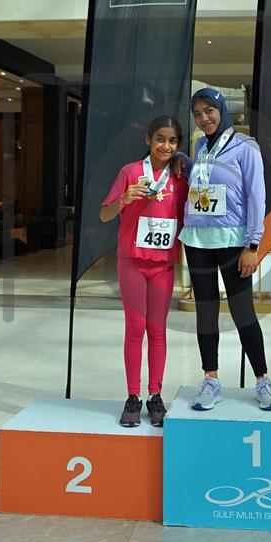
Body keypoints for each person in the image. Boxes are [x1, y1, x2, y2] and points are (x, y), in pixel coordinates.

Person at [180, 87, 271, 412]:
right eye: (197, 114)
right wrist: (188, 164)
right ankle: (210, 379)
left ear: (222, 110)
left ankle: (263, 380)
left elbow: (257, 197)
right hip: (198, 240)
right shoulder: (200, 145)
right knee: (206, 312)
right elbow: (207, 181)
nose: (203, 118)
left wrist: (253, 245)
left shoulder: (245, 147)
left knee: (242, 312)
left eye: (209, 111)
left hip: (234, 243)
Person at [100, 116, 188, 427]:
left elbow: (188, 217)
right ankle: (133, 396)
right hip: (132, 262)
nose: (166, 146)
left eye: (173, 141)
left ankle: (155, 395)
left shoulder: (179, 177)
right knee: (135, 328)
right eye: (160, 139)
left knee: (158, 330)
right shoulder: (130, 172)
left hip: (162, 265)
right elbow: (104, 215)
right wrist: (124, 199)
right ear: (148, 139)